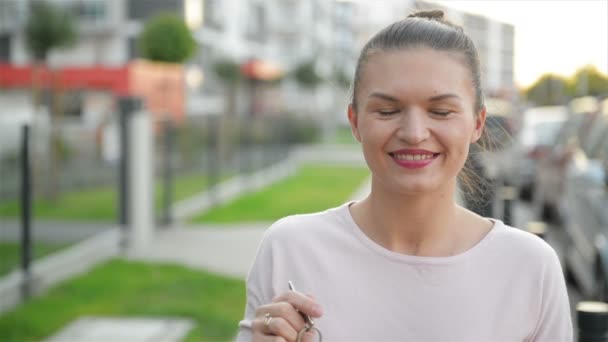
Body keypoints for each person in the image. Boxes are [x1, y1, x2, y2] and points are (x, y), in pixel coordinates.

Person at [236, 10, 572, 342]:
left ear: (477, 123)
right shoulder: (290, 250)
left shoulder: (529, 268)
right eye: (387, 111)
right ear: (355, 121)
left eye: (440, 111)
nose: (413, 133)